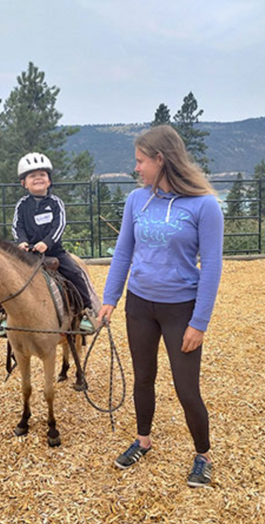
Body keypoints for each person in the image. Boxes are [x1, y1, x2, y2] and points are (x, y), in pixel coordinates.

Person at [98, 125, 224, 488]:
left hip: (180, 309)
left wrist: (199, 322)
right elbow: (123, 250)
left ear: (160, 159)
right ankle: (142, 440)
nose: (136, 168)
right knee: (143, 379)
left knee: (187, 389)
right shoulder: (137, 200)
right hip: (139, 305)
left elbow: (212, 267)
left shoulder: (205, 205)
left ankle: (203, 455)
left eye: (140, 161)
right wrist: (110, 298)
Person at [12, 152, 97, 331]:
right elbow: (17, 226)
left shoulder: (56, 203)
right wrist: (21, 242)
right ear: (23, 183)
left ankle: (86, 311)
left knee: (75, 273)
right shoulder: (21, 205)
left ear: (49, 181)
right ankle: (5, 316)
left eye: (42, 175)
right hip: (28, 254)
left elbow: (59, 226)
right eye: (32, 176)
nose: (38, 178)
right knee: (10, 278)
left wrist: (47, 243)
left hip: (54, 251)